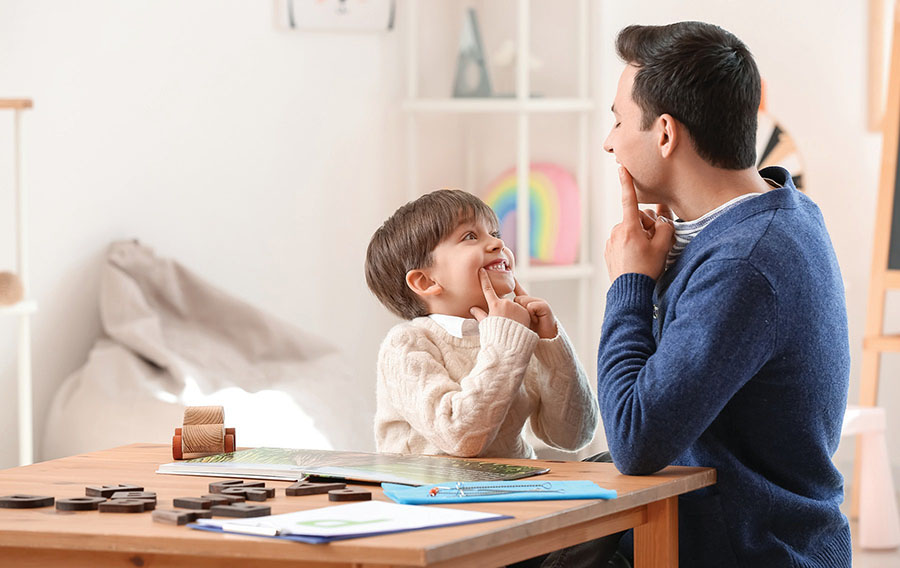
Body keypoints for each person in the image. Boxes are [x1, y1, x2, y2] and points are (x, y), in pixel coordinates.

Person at [598, 21, 851, 567]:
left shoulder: (744, 264)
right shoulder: (787, 213)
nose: (609, 141)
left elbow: (635, 440)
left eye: (617, 120)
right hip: (752, 535)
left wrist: (629, 283)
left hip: (746, 550)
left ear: (665, 134)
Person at [365, 189, 598, 459]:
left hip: (511, 489)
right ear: (426, 282)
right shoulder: (406, 345)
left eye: (495, 234)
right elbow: (460, 438)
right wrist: (505, 343)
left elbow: (573, 436)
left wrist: (550, 345)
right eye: (470, 236)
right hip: (429, 496)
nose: (498, 244)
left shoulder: (514, 335)